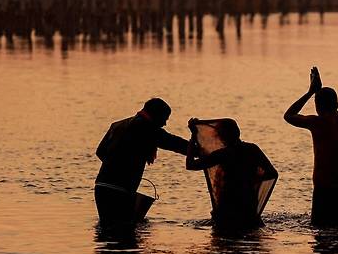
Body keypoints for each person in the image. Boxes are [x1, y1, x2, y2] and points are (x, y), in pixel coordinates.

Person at [95, 98, 188, 226]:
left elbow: (100, 152)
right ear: (155, 115)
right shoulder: (148, 128)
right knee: (125, 233)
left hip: (101, 187)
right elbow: (175, 144)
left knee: (108, 229)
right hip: (120, 191)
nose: (164, 124)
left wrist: (116, 165)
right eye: (164, 118)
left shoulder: (117, 125)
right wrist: (203, 150)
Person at [284, 67, 338, 226]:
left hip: (324, 190)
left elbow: (288, 116)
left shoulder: (316, 123)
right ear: (337, 104)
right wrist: (321, 93)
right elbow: (334, 114)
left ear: (317, 106)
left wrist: (311, 92)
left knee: (321, 237)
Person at [185, 118, 278, 231]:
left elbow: (191, 165)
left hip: (228, 203)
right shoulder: (252, 149)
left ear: (221, 136)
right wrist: (251, 180)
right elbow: (272, 173)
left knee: (223, 238)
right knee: (251, 232)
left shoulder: (222, 154)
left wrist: (193, 136)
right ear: (237, 132)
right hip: (249, 202)